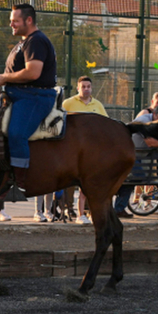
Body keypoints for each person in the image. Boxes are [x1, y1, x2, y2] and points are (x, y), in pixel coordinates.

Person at [0, 3, 58, 200]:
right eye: (11, 21)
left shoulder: (36, 41)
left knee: (16, 133)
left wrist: (4, 78)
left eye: (15, 21)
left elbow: (33, 72)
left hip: (35, 96)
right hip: (19, 94)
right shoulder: (23, 42)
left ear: (28, 20)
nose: (11, 25)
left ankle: (19, 185)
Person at [61, 75, 107, 224]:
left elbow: (105, 124)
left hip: (91, 151)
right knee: (70, 181)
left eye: (88, 87)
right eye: (83, 87)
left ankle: (88, 212)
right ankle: (69, 208)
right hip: (72, 151)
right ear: (78, 88)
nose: (86, 89)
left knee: (89, 182)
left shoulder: (97, 105)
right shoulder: (68, 104)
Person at [115, 105, 158, 217]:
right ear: (154, 113)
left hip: (142, 155)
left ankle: (119, 207)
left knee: (134, 180)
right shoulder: (144, 121)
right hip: (130, 154)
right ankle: (116, 195)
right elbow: (150, 142)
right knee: (137, 177)